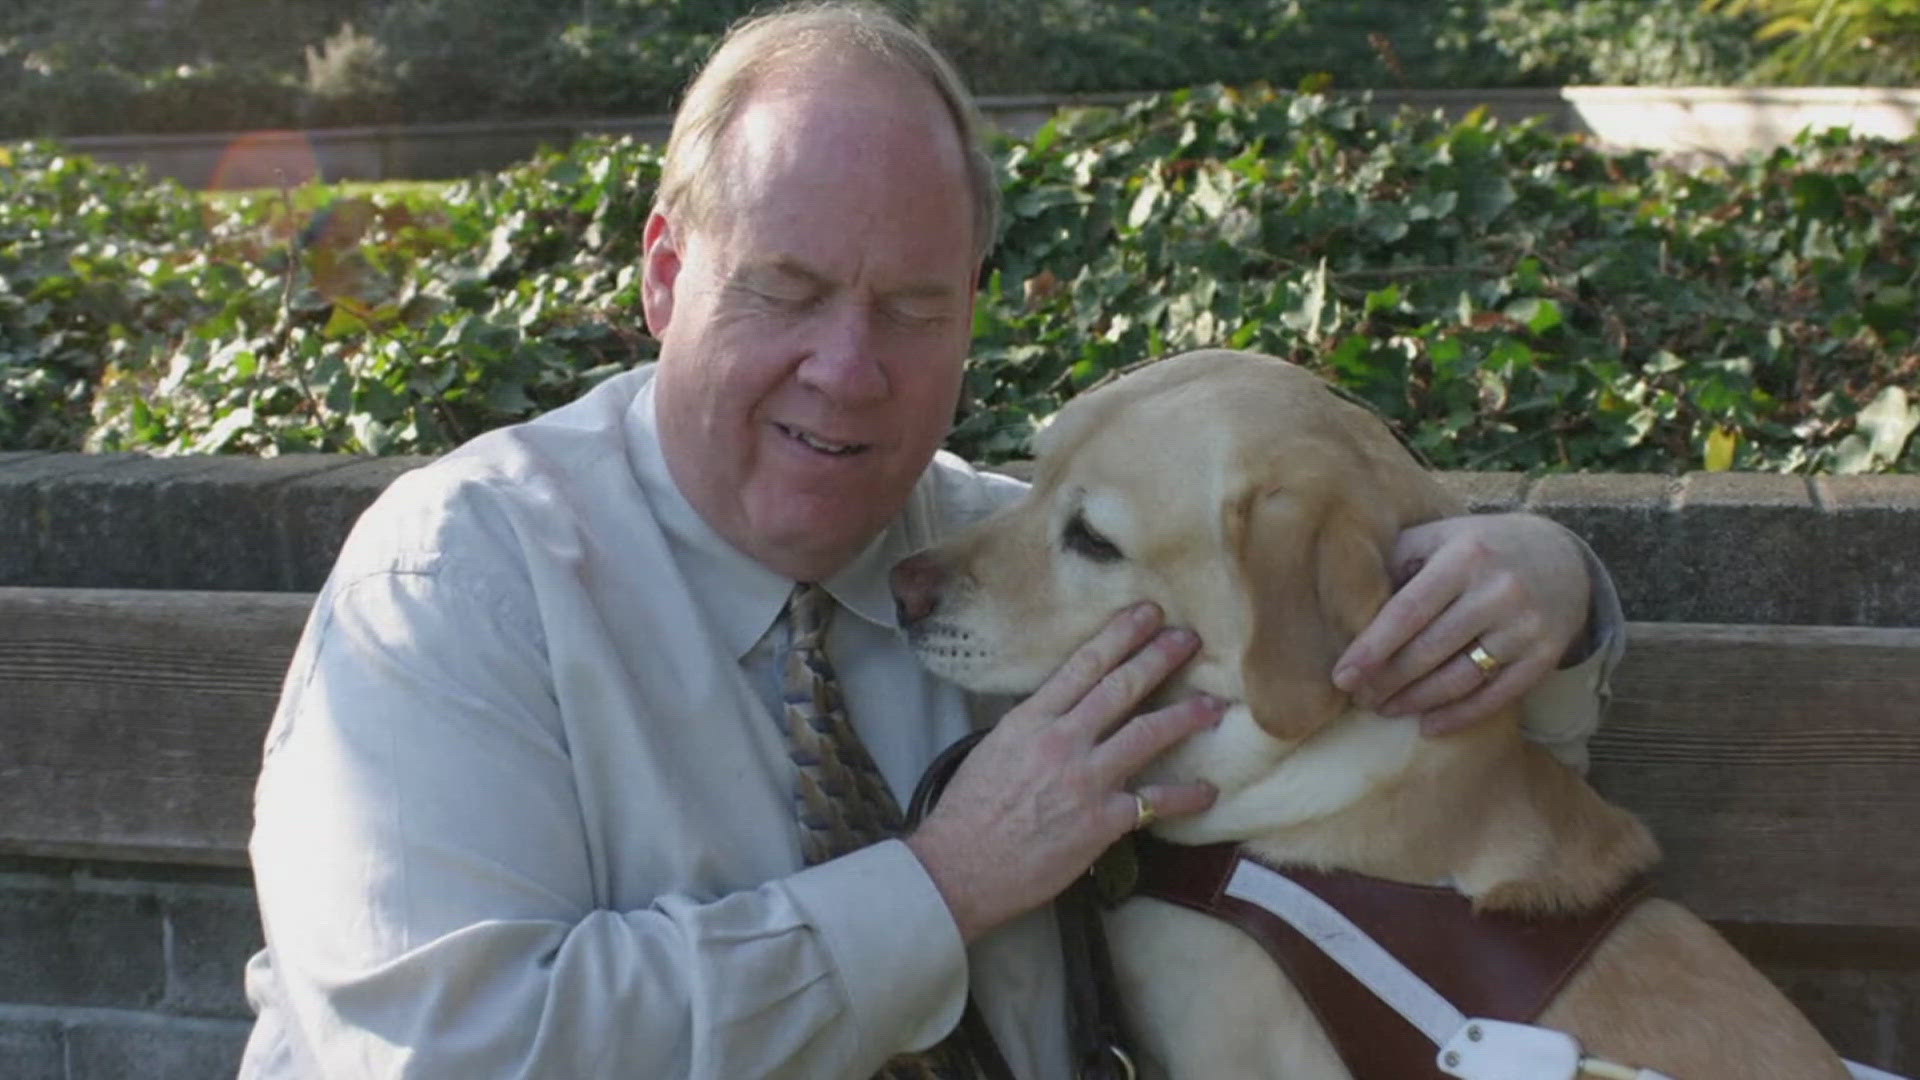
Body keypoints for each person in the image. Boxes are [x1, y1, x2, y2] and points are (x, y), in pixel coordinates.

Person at [239, 3, 1623, 1076]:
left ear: (974, 308)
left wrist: (1546, 592)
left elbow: (1381, 754)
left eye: (912, 307)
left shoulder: (1010, 561)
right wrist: (944, 885)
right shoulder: (460, 581)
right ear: (665, 274)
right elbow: (456, 1052)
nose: (847, 369)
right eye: (783, 291)